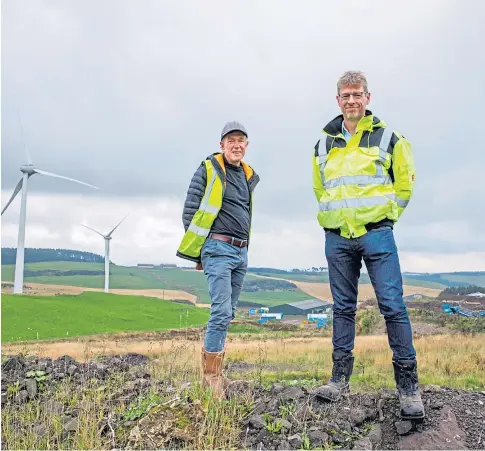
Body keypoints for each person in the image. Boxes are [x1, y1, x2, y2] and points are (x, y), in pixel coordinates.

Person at [312, 71, 424, 419]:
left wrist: (387, 216)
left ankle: (408, 388)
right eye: (345, 95)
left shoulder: (388, 138)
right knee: (343, 309)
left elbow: (405, 185)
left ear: (368, 98)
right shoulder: (324, 143)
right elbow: (321, 188)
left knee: (392, 306)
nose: (351, 101)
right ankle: (339, 380)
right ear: (337, 100)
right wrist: (335, 224)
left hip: (377, 234)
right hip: (338, 240)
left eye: (357, 94)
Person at [177, 121, 259, 399]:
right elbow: (190, 211)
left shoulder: (247, 176)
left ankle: (217, 373)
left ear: (246, 145)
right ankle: (211, 379)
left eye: (242, 140)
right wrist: (201, 251)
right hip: (218, 249)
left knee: (229, 313)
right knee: (221, 312)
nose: (237, 145)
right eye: (231, 140)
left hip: (240, 252)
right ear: (221, 144)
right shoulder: (209, 169)